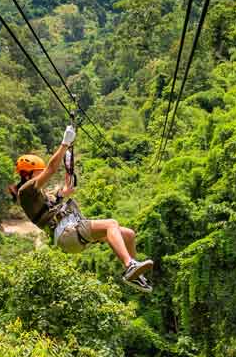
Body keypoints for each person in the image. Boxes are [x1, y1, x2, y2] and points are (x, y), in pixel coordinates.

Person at [9, 124, 154, 293]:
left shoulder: (41, 196)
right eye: (37, 172)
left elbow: (62, 193)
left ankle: (134, 273)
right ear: (27, 174)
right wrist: (64, 143)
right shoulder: (26, 191)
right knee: (111, 224)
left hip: (71, 232)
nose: (41, 175)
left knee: (128, 234)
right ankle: (129, 266)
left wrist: (66, 189)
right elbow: (52, 168)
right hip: (67, 233)